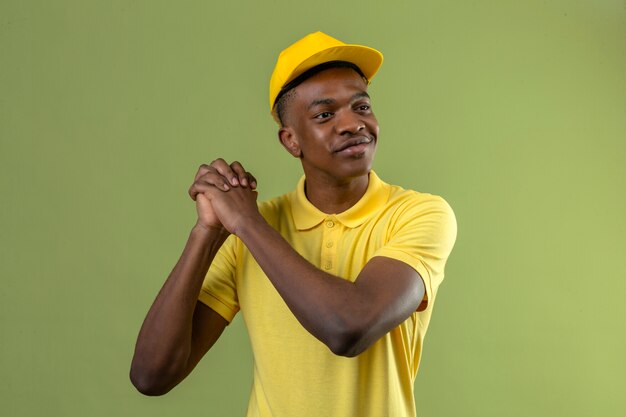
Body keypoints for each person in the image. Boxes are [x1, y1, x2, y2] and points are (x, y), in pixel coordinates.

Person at [130, 31, 457, 417]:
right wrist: (208, 232)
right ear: (291, 141)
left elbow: (349, 328)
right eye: (324, 115)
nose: (352, 124)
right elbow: (152, 376)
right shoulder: (249, 231)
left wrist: (247, 223)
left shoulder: (418, 214)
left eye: (362, 107)